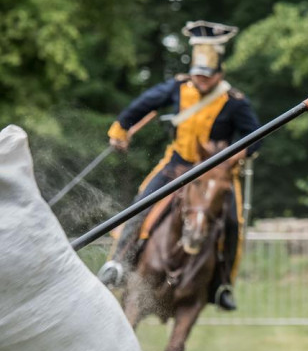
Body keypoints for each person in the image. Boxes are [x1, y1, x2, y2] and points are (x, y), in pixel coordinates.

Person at [97, 21, 261, 312]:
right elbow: (143, 104)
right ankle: (118, 264)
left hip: (215, 175)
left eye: (207, 76)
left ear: (219, 72)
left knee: (234, 223)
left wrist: (231, 160)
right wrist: (121, 128)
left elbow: (255, 139)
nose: (201, 80)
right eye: (198, 74)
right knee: (139, 206)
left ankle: (223, 285)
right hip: (175, 167)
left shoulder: (234, 101)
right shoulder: (177, 88)